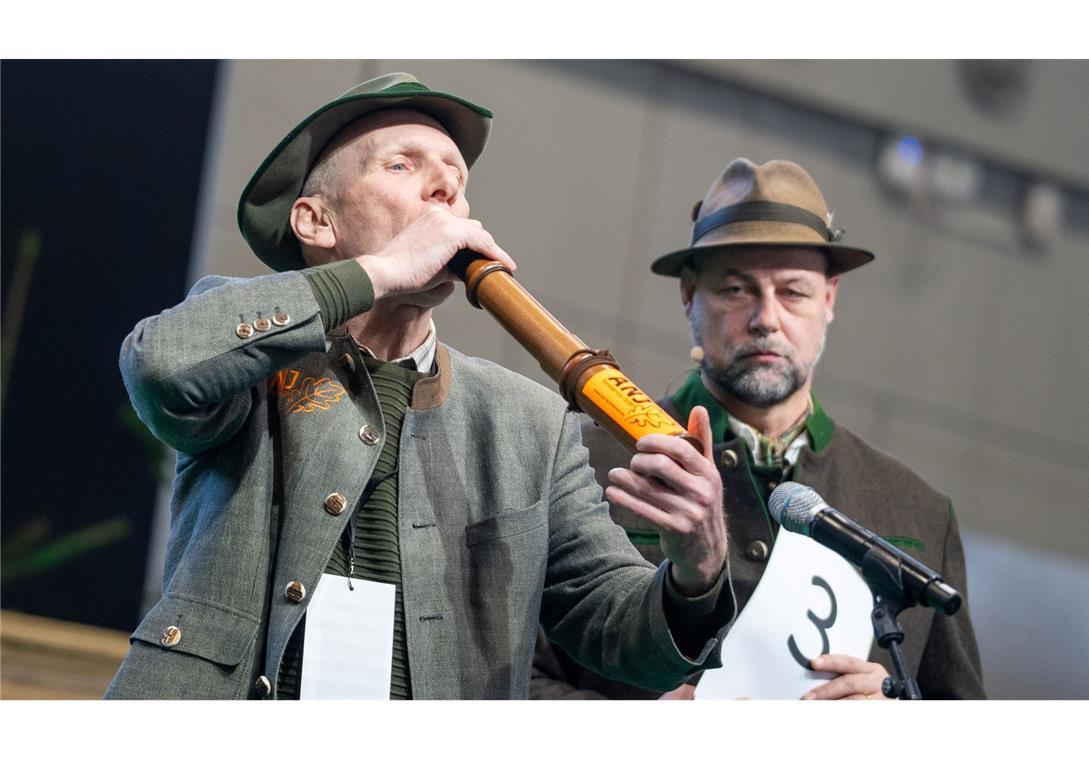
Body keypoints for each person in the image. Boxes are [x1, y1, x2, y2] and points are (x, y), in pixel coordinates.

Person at [105, 73, 734, 700]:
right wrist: (381, 270)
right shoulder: (253, 356)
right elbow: (162, 366)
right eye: (402, 166)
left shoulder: (530, 423)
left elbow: (620, 632)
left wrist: (697, 568)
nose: (445, 190)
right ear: (316, 221)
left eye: (456, 183)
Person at [532, 158, 986, 700]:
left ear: (830, 298)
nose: (766, 318)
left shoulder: (918, 511)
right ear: (689, 296)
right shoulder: (581, 461)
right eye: (737, 290)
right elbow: (498, 678)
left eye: (793, 292)